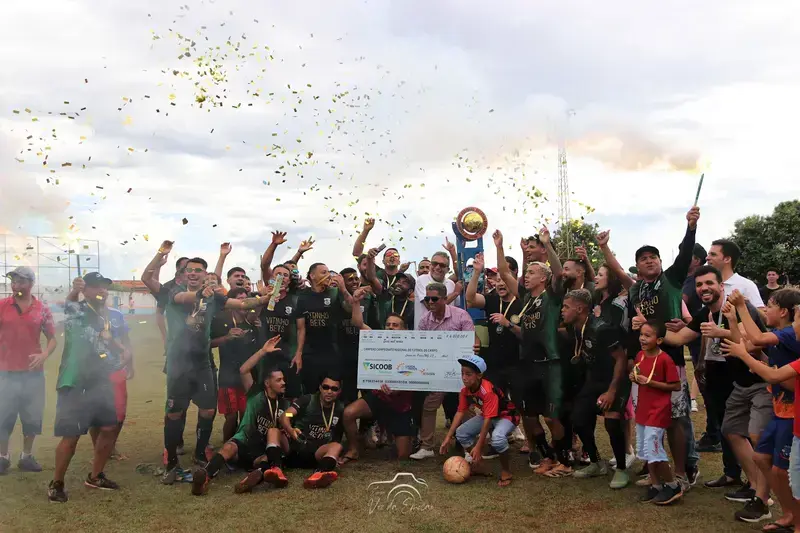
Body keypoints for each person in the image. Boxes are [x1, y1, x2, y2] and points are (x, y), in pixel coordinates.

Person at [161, 257, 277, 485]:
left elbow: (243, 305)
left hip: (202, 362)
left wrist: (265, 297)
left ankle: (199, 453)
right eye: (190, 270)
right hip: (179, 363)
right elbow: (183, 297)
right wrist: (200, 295)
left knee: (207, 410)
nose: (194, 273)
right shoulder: (175, 291)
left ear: (205, 274)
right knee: (174, 413)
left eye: (199, 270)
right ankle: (172, 463)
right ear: (184, 274)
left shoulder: (215, 297)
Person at [627, 206, 701, 490]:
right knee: (649, 418)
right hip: (644, 361)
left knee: (676, 418)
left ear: (660, 261)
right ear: (638, 265)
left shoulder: (670, 279)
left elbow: (685, 254)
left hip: (671, 359)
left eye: (653, 257)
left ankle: (682, 472)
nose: (649, 262)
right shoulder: (635, 290)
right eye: (643, 259)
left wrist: (690, 227)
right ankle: (655, 469)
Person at [662, 266, 750, 495]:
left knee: (742, 429)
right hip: (714, 372)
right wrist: (650, 329)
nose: (704, 288)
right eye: (700, 285)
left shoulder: (738, 308)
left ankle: (755, 484)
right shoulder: (704, 312)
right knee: (723, 426)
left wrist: (721, 332)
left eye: (709, 283)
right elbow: (680, 337)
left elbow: (749, 340)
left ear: (722, 286)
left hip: (739, 374)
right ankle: (731, 473)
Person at [494, 227, 572, 476]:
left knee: (551, 417)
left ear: (544, 278)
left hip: (549, 362)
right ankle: (547, 457)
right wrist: (499, 246)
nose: (526, 275)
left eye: (531, 272)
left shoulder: (553, 294)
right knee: (528, 415)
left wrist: (547, 245)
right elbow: (504, 273)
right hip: (527, 363)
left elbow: (559, 272)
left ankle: (565, 460)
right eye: (526, 272)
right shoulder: (526, 297)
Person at [47, 274, 130, 503]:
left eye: (104, 288)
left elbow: (106, 338)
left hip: (101, 379)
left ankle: (95, 476)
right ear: (85, 290)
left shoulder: (106, 314)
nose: (101, 292)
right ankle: (57, 483)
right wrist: (74, 291)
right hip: (75, 381)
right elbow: (70, 303)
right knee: (71, 436)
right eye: (95, 288)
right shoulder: (78, 309)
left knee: (109, 427)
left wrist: (122, 350)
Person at [721, 305, 800, 531]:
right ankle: (789, 514)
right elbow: (765, 362)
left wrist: (740, 306)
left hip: (791, 416)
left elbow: (772, 371)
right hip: (780, 412)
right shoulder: (784, 339)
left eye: (798, 320)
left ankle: (795, 519)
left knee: (785, 471)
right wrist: (734, 324)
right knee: (763, 458)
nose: (796, 325)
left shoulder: (785, 336)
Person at [562, 289, 631, 489]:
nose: (563, 311)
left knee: (612, 423)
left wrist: (611, 391)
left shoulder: (602, 329)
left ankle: (621, 468)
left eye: (566, 307)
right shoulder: (577, 327)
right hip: (594, 381)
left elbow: (620, 359)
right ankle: (596, 462)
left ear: (580, 308)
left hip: (614, 382)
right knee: (578, 419)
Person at [191, 358, 286, 495]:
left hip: (262, 448)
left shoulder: (284, 405)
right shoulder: (255, 395)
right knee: (229, 447)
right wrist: (264, 351)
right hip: (244, 441)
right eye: (279, 380)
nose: (283, 383)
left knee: (266, 459)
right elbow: (243, 370)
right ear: (267, 383)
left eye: (283, 379)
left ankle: (253, 477)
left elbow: (288, 419)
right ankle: (205, 475)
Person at [340, 291, 416, 462]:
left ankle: (400, 434)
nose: (390, 327)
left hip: (401, 406)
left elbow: (417, 375)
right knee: (348, 413)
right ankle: (354, 448)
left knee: (403, 456)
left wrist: (397, 390)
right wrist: (356, 302)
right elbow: (358, 323)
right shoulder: (378, 338)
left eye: (395, 325)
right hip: (378, 397)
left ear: (405, 330)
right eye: (388, 324)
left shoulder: (414, 347)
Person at [410, 282, 476, 460]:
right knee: (429, 406)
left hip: (460, 371)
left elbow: (470, 344)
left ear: (445, 299)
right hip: (436, 371)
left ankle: (470, 448)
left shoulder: (461, 316)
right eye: (427, 299)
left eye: (434, 299)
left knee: (466, 408)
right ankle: (427, 446)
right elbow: (421, 346)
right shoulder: (424, 320)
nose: (430, 302)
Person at [0, 266, 57, 475]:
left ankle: (26, 456)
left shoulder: (42, 309)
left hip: (32, 373)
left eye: (20, 282)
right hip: (5, 371)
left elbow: (52, 339)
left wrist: (44, 355)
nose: (15, 286)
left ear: (30, 284)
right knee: (4, 416)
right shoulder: (2, 306)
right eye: (13, 282)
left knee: (31, 416)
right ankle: (3, 457)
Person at [440, 354, 518, 487]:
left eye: (468, 374)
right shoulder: (465, 391)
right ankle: (479, 464)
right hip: (488, 415)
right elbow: (460, 412)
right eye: (462, 373)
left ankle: (506, 471)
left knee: (498, 438)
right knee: (461, 433)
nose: (464, 377)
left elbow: (488, 420)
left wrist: (479, 445)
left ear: (479, 375)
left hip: (506, 416)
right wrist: (448, 437)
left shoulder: (487, 391)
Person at [631, 320, 683, 505]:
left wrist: (649, 382)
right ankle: (656, 485)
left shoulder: (665, 359)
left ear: (659, 340)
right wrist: (635, 378)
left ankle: (672, 484)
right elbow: (640, 376)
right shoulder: (640, 355)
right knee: (646, 450)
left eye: (647, 335)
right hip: (644, 410)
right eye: (641, 335)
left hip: (658, 411)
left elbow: (676, 385)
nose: (642, 339)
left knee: (654, 447)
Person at [466, 252, 522, 394]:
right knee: (495, 405)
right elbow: (470, 300)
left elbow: (528, 335)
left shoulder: (523, 302)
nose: (500, 284)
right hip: (495, 364)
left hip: (518, 364)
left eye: (503, 280)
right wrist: (476, 273)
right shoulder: (492, 300)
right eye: (497, 281)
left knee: (521, 407)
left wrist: (508, 324)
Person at [241, 264, 301, 397]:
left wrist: (298, 353)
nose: (282, 277)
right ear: (272, 279)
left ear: (289, 280)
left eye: (285, 275)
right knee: (265, 396)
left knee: (288, 395)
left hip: (287, 356)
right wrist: (262, 299)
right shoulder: (262, 298)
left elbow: (301, 329)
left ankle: (287, 417)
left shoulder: (295, 300)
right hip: (264, 357)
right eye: (278, 274)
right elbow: (251, 319)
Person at [210, 287, 261, 443]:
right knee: (231, 417)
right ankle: (227, 447)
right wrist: (227, 337)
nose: (244, 303)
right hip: (228, 376)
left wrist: (260, 330)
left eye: (246, 299)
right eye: (240, 299)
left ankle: (241, 447)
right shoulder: (222, 321)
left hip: (248, 377)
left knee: (246, 414)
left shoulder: (253, 321)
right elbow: (208, 343)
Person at [277, 375, 346, 488]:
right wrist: (290, 430)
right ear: (320, 388)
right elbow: (286, 415)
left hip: (317, 453)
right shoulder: (307, 400)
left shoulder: (340, 408)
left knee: (337, 446)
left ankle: (318, 475)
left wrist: (335, 456)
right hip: (296, 448)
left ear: (339, 391)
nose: (329, 391)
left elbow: (337, 434)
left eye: (334, 389)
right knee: (275, 432)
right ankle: (274, 468)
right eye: (326, 387)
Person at [293, 264, 350, 396]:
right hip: (310, 353)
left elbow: (350, 309)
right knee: (311, 391)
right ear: (312, 276)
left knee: (331, 391)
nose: (328, 275)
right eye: (323, 272)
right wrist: (299, 353)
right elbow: (301, 328)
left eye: (328, 272)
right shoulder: (302, 296)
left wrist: (342, 288)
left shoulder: (334, 293)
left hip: (332, 352)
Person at [706, 239, 765, 310]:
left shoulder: (746, 285)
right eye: (708, 254)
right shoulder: (704, 286)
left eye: (713, 254)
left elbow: (763, 317)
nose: (707, 258)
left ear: (727, 259)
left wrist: (744, 304)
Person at [413, 249, 462, 330]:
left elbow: (456, 309)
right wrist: (455, 293)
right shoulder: (422, 280)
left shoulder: (451, 284)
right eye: (434, 263)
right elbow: (430, 306)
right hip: (424, 335)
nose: (437, 267)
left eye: (442, 265)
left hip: (447, 334)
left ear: (447, 270)